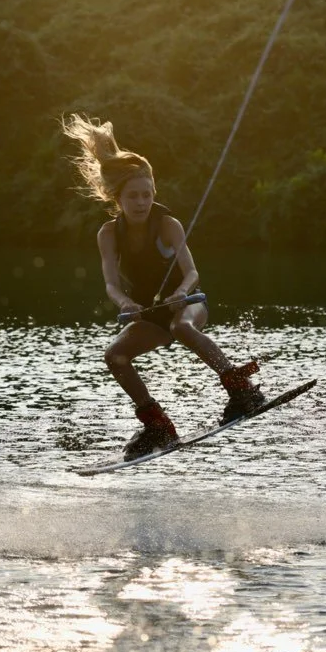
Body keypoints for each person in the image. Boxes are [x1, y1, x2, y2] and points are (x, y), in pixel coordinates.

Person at [62, 114, 266, 459]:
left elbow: (192, 272)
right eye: (133, 197)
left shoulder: (168, 225)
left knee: (181, 326)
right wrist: (125, 303)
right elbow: (111, 284)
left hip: (187, 303)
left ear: (154, 193)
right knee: (115, 356)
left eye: (147, 195)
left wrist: (181, 293)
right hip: (148, 313)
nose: (141, 202)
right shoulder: (109, 234)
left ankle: (241, 389)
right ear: (118, 198)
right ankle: (157, 425)